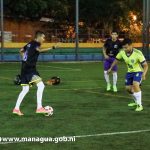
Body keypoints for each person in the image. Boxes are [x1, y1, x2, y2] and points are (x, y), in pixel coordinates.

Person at [13, 31, 56, 116]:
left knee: (25, 89)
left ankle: (16, 109)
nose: (44, 39)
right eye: (43, 37)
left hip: (24, 68)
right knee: (41, 85)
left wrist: (24, 59)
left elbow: (21, 50)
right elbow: (39, 51)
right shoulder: (36, 43)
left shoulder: (29, 44)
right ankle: (39, 108)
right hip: (30, 69)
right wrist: (52, 47)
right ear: (38, 37)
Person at [108, 38, 148, 111]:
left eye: (126, 47)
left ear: (131, 45)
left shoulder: (138, 53)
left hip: (138, 71)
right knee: (128, 89)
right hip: (129, 72)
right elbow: (116, 60)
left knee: (135, 84)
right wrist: (111, 68)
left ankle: (140, 105)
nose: (124, 49)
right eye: (123, 47)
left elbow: (145, 65)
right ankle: (136, 102)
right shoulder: (122, 52)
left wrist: (144, 74)